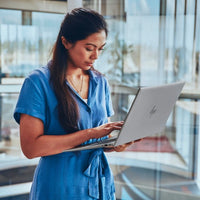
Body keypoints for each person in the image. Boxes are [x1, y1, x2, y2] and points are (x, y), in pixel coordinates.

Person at [14, 8, 135, 200]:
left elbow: (100, 140)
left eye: (100, 48)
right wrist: (90, 133)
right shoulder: (38, 82)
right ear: (66, 42)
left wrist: (115, 144)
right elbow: (31, 148)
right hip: (59, 186)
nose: (96, 56)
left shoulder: (100, 82)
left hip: (98, 185)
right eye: (89, 48)